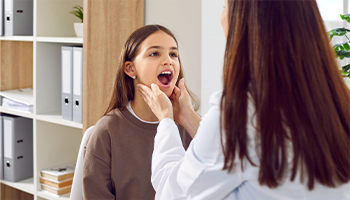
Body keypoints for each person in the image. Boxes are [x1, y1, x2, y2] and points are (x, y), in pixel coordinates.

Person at [137, 0, 350, 200]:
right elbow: (238, 152)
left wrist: (166, 120)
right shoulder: (333, 103)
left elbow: (173, 193)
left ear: (246, 21)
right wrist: (188, 117)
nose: (221, 17)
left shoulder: (239, 112)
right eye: (154, 53)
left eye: (225, 6)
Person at [82, 25, 198, 200]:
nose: (168, 61)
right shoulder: (107, 131)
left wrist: (188, 116)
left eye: (173, 54)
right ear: (130, 69)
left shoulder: (188, 125)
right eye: (154, 53)